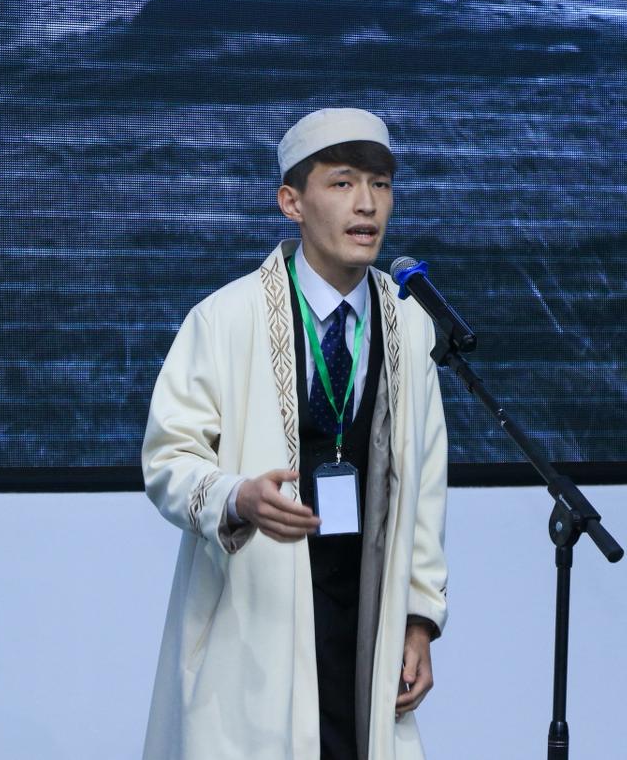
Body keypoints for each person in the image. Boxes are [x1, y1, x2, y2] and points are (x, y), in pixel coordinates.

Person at [140, 108, 449, 760]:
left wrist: (420, 619)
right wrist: (237, 497)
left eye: (381, 184)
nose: (366, 204)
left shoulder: (410, 323)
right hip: (257, 616)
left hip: (367, 612)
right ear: (292, 202)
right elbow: (168, 459)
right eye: (342, 183)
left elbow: (426, 483)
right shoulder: (226, 318)